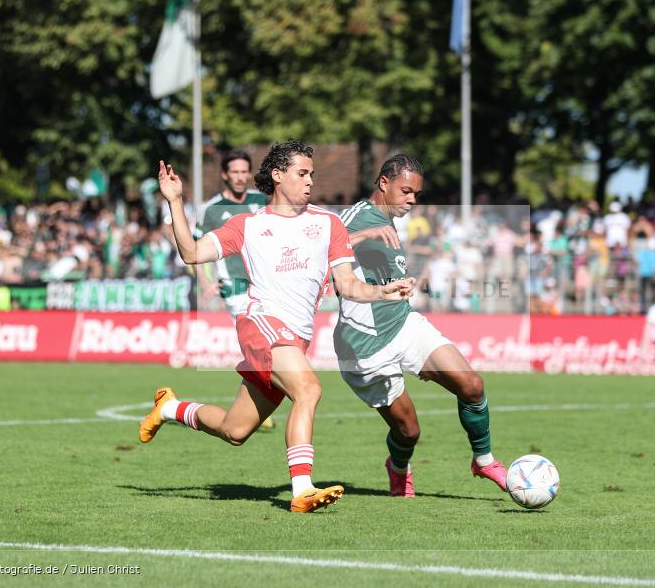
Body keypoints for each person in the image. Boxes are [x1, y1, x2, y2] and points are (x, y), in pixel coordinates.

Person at [139, 140, 414, 513]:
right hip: (262, 325)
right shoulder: (248, 225)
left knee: (235, 431)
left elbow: (348, 286)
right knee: (309, 390)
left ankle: (170, 408)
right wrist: (174, 201)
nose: (310, 182)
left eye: (312, 175)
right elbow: (191, 253)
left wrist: (383, 292)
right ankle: (301, 489)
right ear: (278, 175)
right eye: (302, 173)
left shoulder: (328, 224)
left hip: (292, 341)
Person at [333, 154, 509, 498]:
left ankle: (483, 459)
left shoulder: (390, 217)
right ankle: (398, 468)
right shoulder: (357, 217)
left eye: (416, 193)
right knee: (409, 431)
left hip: (403, 322)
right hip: (365, 344)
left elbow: (375, 269)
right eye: (406, 191)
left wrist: (402, 283)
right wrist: (367, 233)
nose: (412, 199)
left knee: (471, 384)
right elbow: (322, 246)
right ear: (383, 182)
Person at [196, 149, 275, 431]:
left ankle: (257, 402)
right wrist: (205, 281)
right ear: (224, 175)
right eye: (235, 172)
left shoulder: (260, 201)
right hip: (236, 288)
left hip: (266, 285)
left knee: (268, 345)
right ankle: (260, 402)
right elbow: (197, 249)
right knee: (261, 344)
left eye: (245, 172)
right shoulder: (211, 209)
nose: (241, 177)